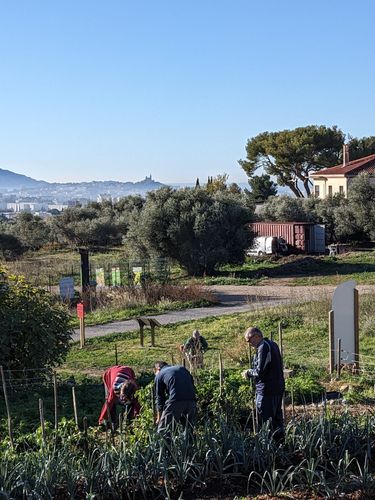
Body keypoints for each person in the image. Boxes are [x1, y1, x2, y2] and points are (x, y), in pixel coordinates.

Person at [241, 327, 285, 440]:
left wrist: (248, 372)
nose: (249, 344)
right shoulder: (273, 344)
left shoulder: (263, 347)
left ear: (256, 336)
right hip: (277, 388)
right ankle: (281, 447)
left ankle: (269, 450)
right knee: (277, 420)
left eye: (249, 340)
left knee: (266, 422)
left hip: (266, 391)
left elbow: (260, 371)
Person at [154, 361, 197, 433]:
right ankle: (191, 443)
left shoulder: (160, 374)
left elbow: (160, 398)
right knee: (188, 431)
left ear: (157, 369)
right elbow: (192, 384)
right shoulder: (181, 368)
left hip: (176, 401)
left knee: (163, 431)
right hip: (191, 400)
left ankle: (165, 444)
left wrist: (159, 418)